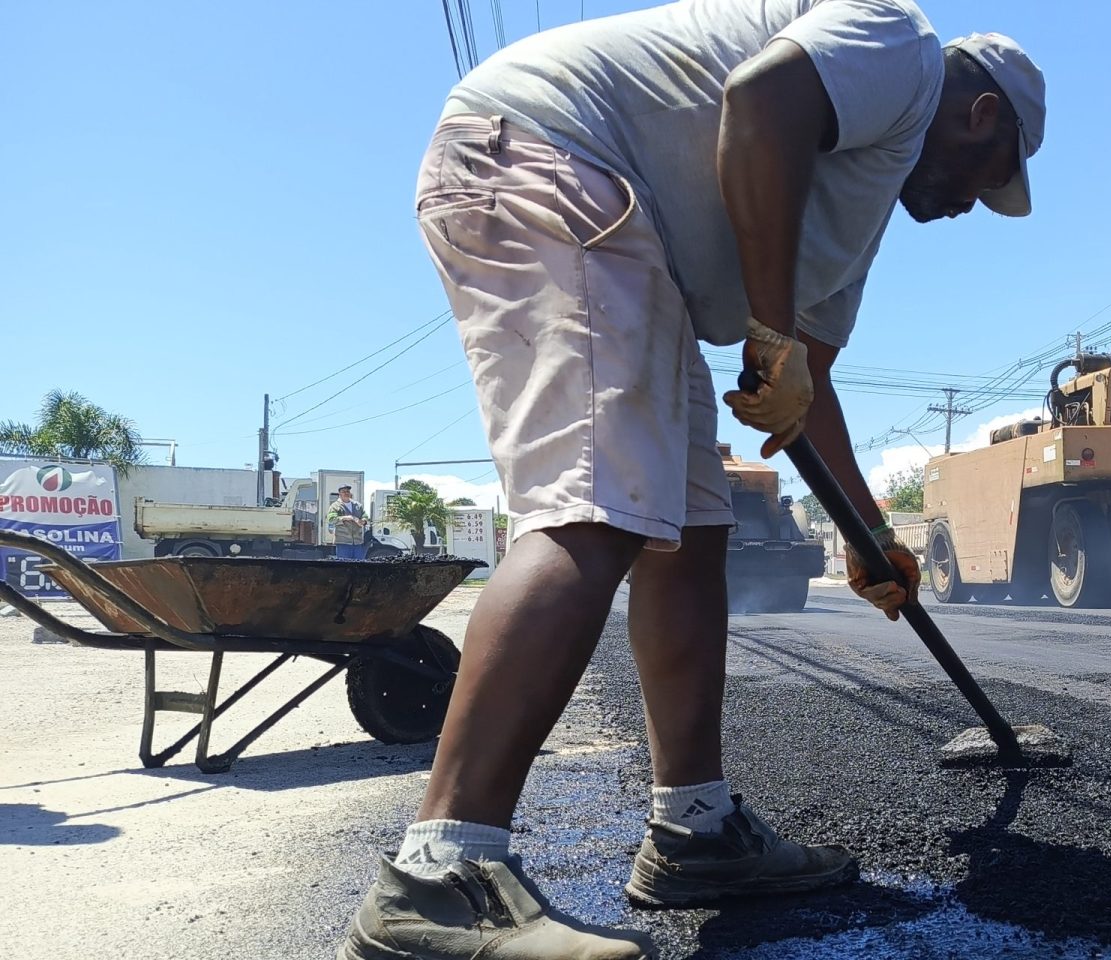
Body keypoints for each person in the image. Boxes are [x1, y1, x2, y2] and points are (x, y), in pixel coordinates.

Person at [338, 3, 1045, 958]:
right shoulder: (901, 46)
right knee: (595, 512)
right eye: (991, 180)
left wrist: (872, 542)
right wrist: (770, 332)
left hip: (637, 245)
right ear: (982, 116)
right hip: (552, 160)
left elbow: (810, 385)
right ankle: (438, 874)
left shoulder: (853, 213)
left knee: (691, 524)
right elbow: (760, 103)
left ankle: (694, 829)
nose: (972, 207)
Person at [327, 486, 367, 560]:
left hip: (357, 542)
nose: (346, 493)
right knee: (344, 566)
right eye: (343, 491)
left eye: (347, 491)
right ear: (339, 494)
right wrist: (347, 517)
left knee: (359, 565)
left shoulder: (357, 505)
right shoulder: (335, 506)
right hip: (343, 542)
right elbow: (331, 519)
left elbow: (365, 516)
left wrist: (363, 521)